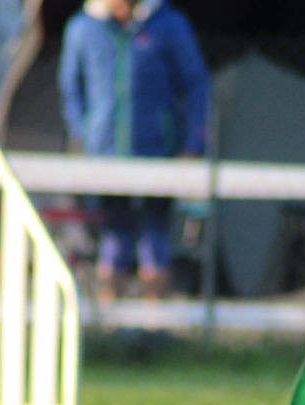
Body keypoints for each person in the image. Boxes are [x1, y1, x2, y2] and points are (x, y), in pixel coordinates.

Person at [58, 0, 210, 299]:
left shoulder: (168, 23)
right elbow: (70, 88)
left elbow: (196, 83)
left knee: (154, 237)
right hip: (103, 154)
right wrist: (81, 134)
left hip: (157, 151)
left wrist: (193, 143)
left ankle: (155, 325)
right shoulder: (82, 28)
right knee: (113, 236)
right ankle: (106, 321)